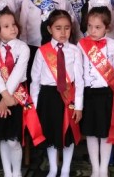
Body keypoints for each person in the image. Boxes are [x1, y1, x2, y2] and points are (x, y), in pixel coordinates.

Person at [0, 4, 42, 177]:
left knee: (13, 139)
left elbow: (17, 74)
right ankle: (7, 172)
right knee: (3, 137)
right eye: (6, 26)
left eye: (14, 24)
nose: (12, 28)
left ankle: (16, 173)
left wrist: (6, 100)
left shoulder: (23, 48)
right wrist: (3, 96)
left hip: (17, 95)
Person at [30, 10, 84, 177]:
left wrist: (79, 106)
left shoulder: (75, 51)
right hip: (48, 98)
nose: (63, 32)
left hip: (68, 96)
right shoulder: (42, 51)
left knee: (68, 134)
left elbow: (80, 80)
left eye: (67, 28)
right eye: (58, 28)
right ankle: (53, 168)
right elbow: (35, 80)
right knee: (51, 134)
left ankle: (66, 169)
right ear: (49, 29)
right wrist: (35, 105)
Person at [78, 0, 114, 177]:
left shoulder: (113, 46)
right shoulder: (81, 44)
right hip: (89, 94)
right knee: (91, 133)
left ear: (107, 27)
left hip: (107, 94)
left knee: (106, 132)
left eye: (97, 27)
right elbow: (79, 73)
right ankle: (95, 168)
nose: (92, 31)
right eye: (90, 26)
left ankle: (104, 169)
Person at [20, 0, 72, 77]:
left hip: (54, 44)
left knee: (52, 75)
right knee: (33, 75)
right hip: (33, 44)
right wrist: (24, 44)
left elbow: (64, 24)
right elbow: (23, 23)